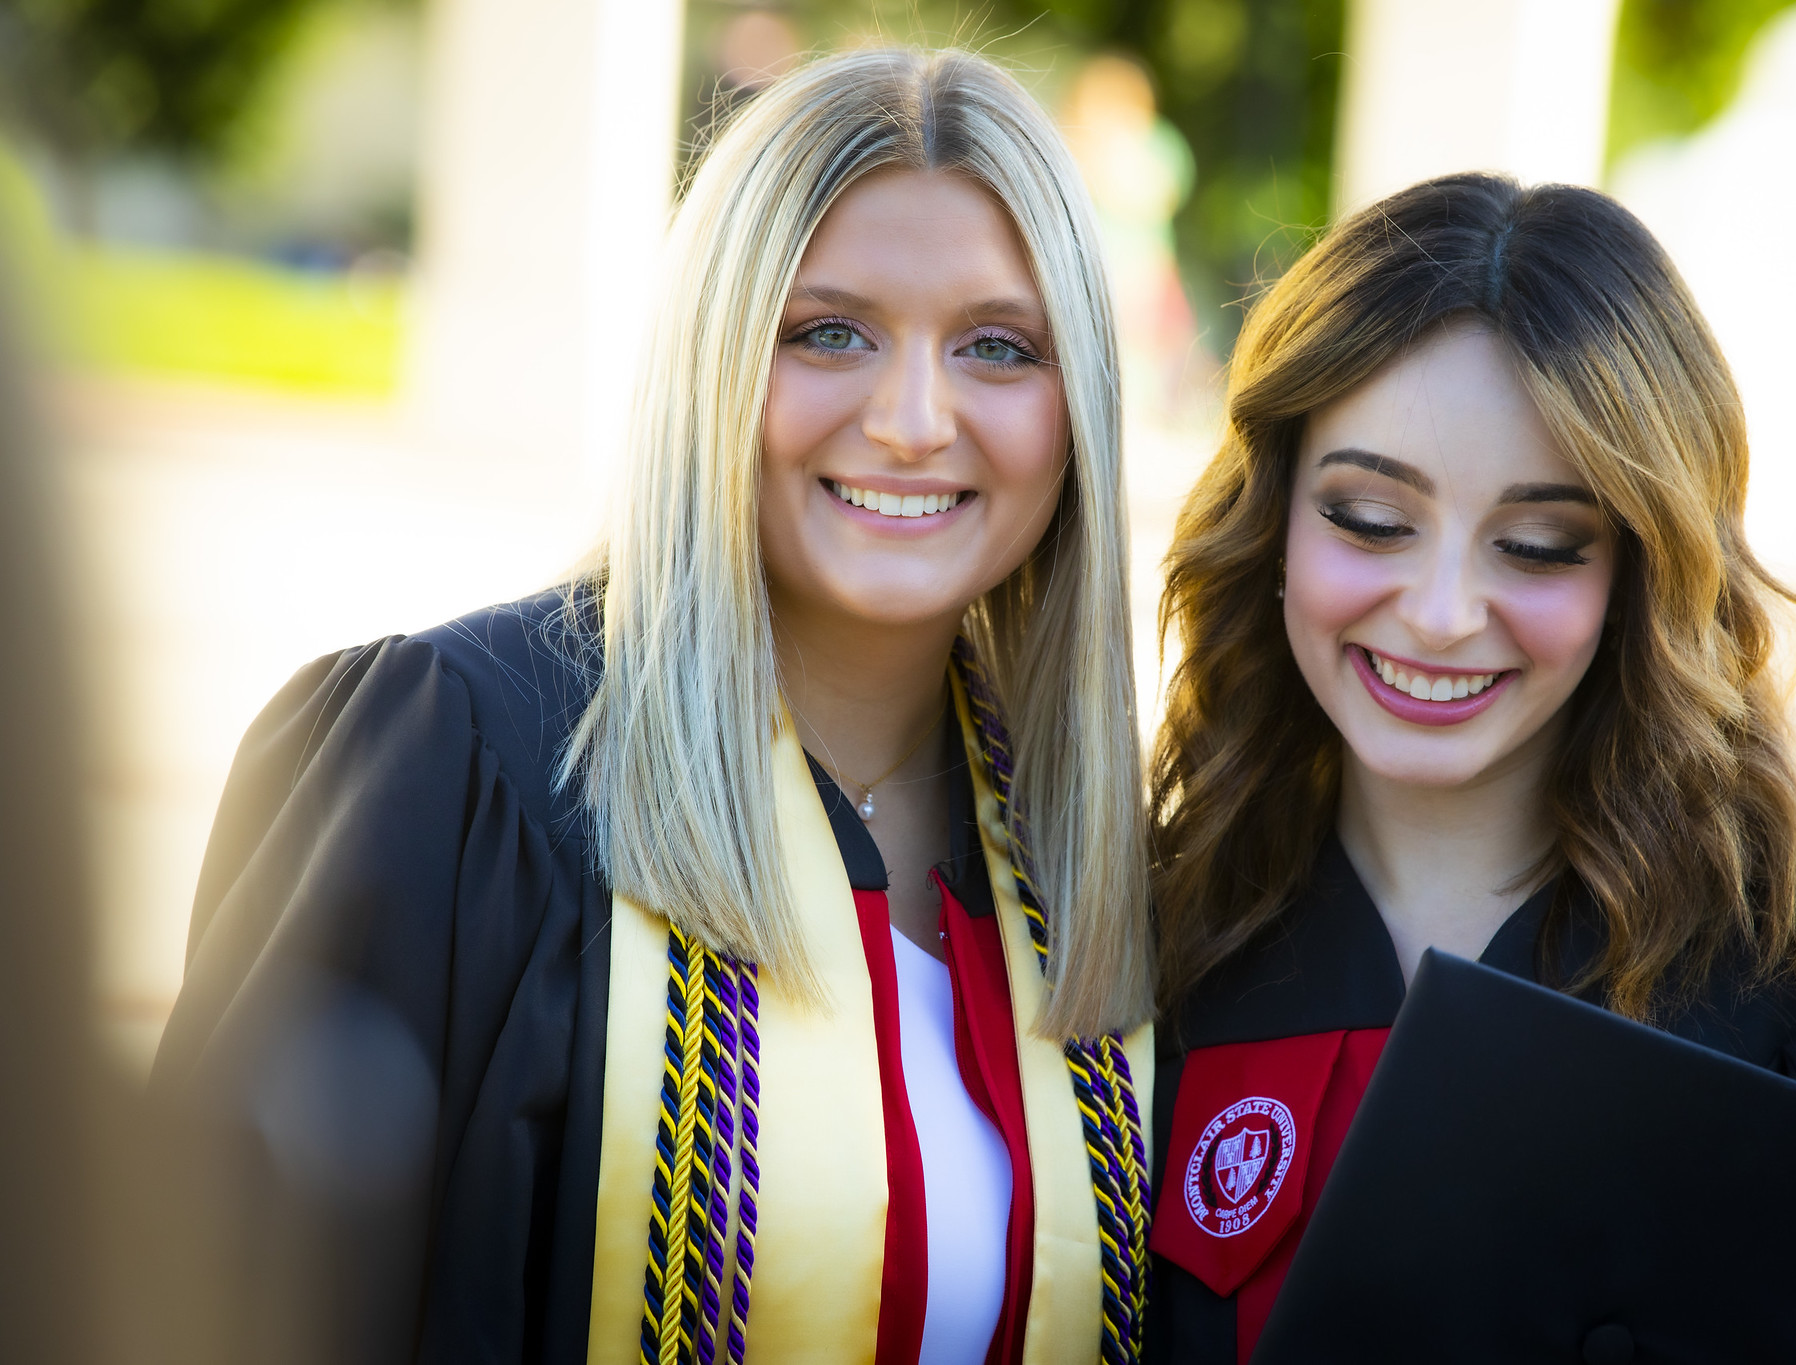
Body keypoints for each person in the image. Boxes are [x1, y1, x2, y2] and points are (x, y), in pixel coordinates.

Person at [149, 48, 1155, 1365]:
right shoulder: (460, 761)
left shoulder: (1083, 857)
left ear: (1075, 405)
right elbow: (219, 1306)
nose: (914, 419)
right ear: (713, 355)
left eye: (996, 347)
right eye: (828, 332)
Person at [1143, 173, 1796, 1363]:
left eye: (1537, 545)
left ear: (1639, 570)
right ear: (1271, 522)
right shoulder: (1146, 957)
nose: (1441, 611)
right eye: (1369, 519)